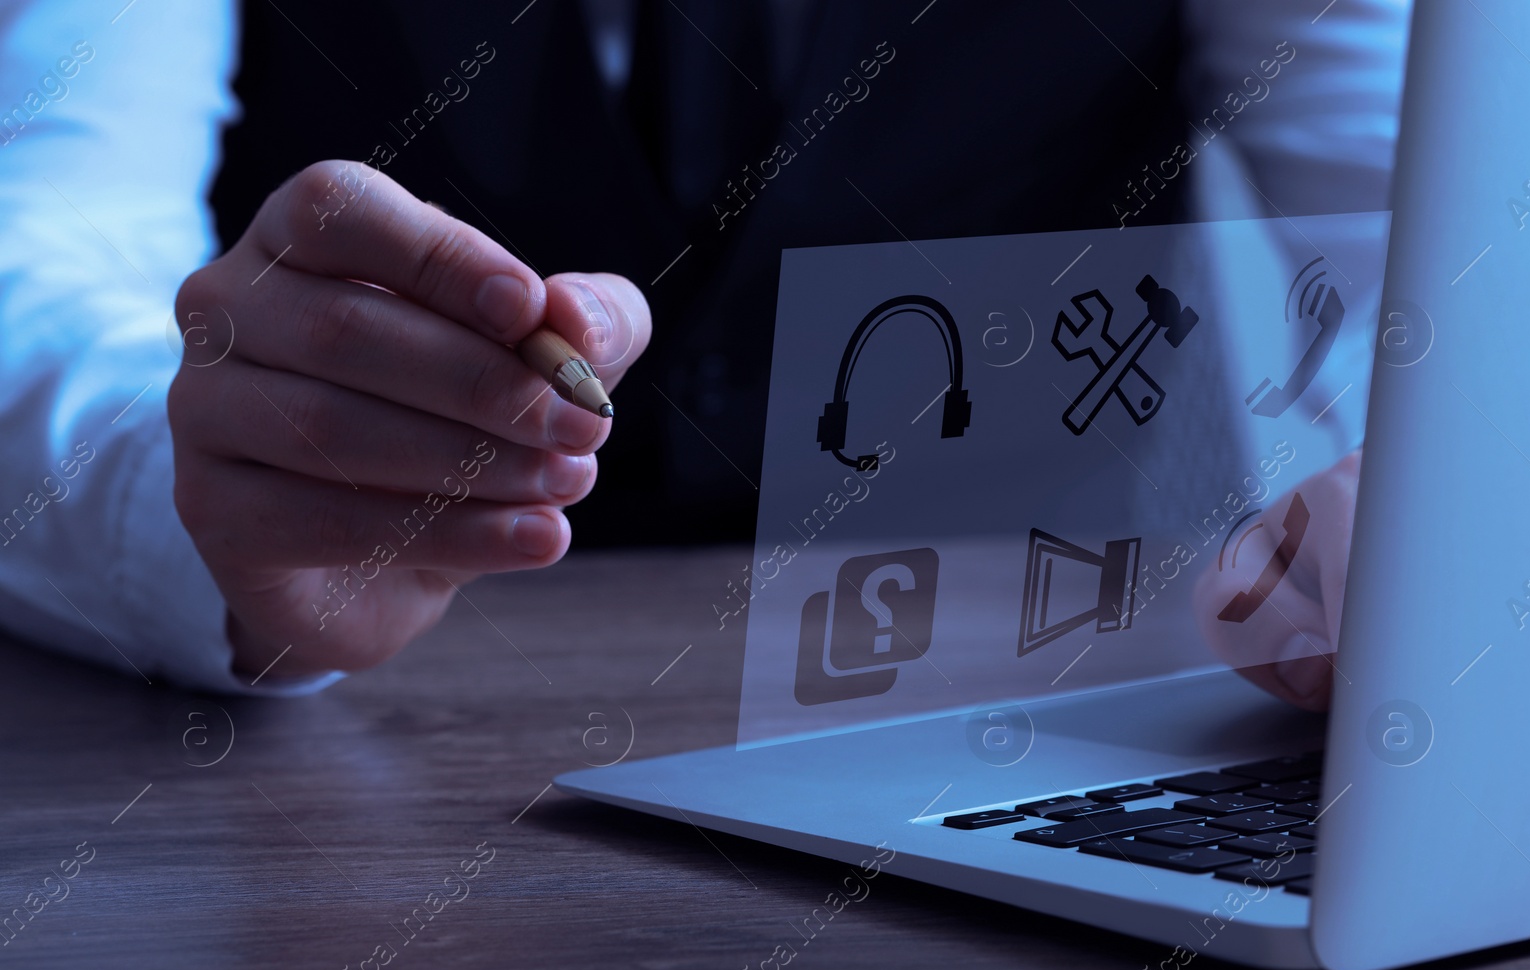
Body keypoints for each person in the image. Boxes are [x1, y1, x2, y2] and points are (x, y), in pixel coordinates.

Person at [0, 0, 1406, 697]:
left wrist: (1446, 477)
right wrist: (199, 496)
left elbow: (1436, 200)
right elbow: (36, 233)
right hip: (383, 775)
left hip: (1037, 724)